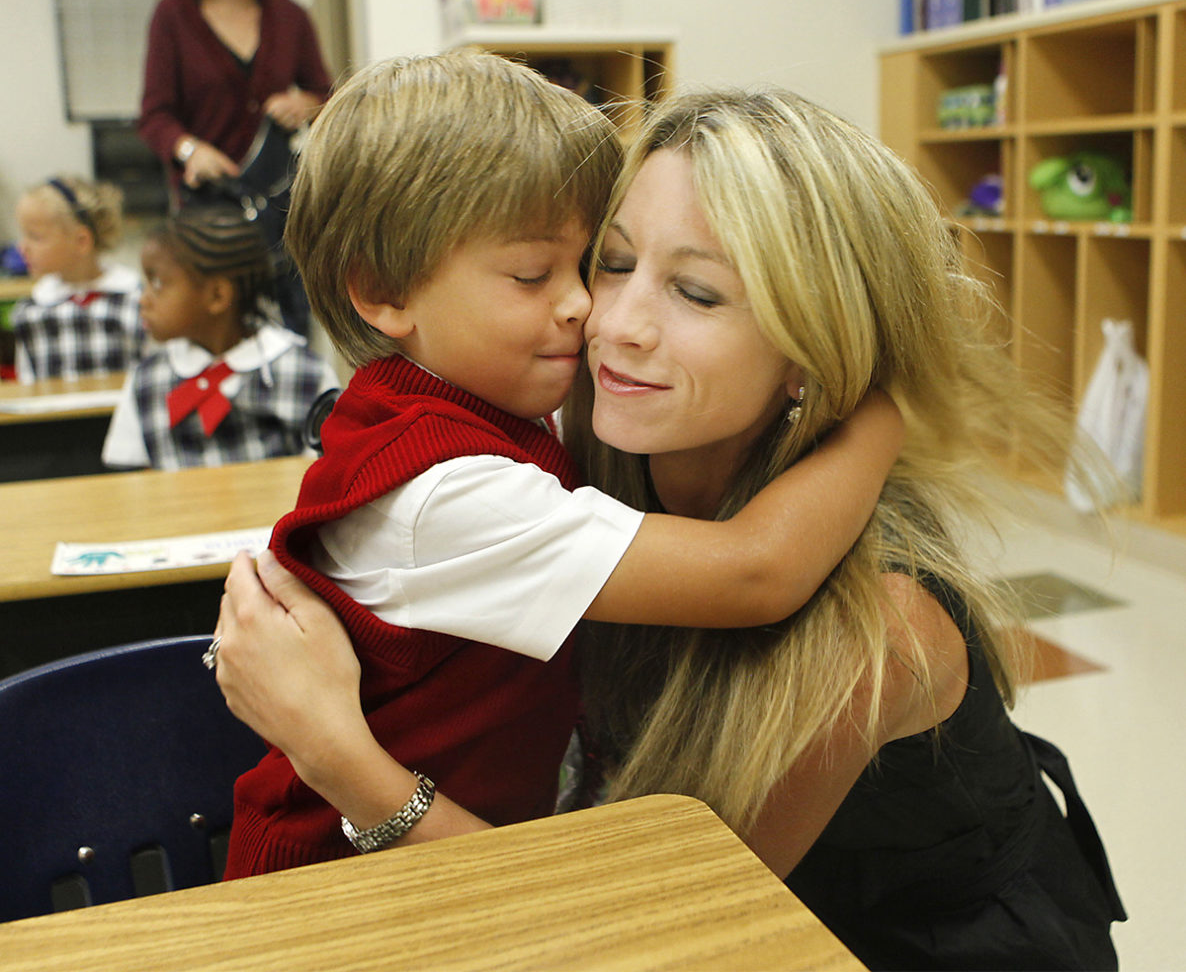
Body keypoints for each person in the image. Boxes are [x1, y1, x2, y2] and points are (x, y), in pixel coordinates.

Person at [216, 84, 1127, 971]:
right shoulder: (583, 450)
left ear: (813, 351)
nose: (609, 322)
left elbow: (641, 940)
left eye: (695, 292)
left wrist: (338, 756)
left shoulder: (876, 627)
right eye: (607, 264)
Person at [218, 50, 903, 880]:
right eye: (535, 274)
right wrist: (878, 414)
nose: (589, 309)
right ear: (385, 292)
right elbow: (756, 573)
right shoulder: (446, 490)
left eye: (587, 265)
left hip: (447, 864)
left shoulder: (473, 412)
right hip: (341, 880)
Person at [137, 0, 333, 334]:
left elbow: (326, 94)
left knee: (288, 329)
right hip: (209, 208)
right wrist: (190, 149)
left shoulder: (290, 15)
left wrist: (302, 103)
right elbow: (154, 115)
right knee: (216, 325)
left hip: (279, 208)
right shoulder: (172, 14)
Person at [101, 204, 338, 470]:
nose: (143, 300)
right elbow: (126, 487)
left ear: (217, 296)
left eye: (158, 284)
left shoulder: (306, 373)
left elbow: (328, 477)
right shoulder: (145, 381)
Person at [12, 176, 144, 383]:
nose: (22, 248)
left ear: (81, 241)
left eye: (35, 236)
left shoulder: (136, 302)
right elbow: (28, 384)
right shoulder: (30, 312)